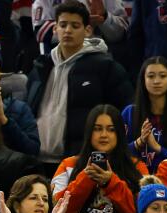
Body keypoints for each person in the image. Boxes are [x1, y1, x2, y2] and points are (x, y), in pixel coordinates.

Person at [27, 0, 133, 169]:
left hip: (80, 162)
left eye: (75, 26)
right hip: (37, 160)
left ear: (88, 30)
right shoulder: (40, 67)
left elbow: (126, 111)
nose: (68, 30)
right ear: (55, 28)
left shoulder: (105, 67)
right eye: (63, 25)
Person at [52, 104, 149, 213]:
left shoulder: (137, 167)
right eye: (97, 129)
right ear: (88, 132)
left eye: (111, 129)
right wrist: (86, 178)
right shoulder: (68, 165)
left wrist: (111, 183)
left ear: (120, 133)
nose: (104, 135)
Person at [123, 57, 167, 170]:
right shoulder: (129, 113)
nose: (156, 81)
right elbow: (117, 154)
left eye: (163, 76)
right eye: (151, 76)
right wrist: (139, 142)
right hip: (135, 177)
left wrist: (157, 148)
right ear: (143, 80)